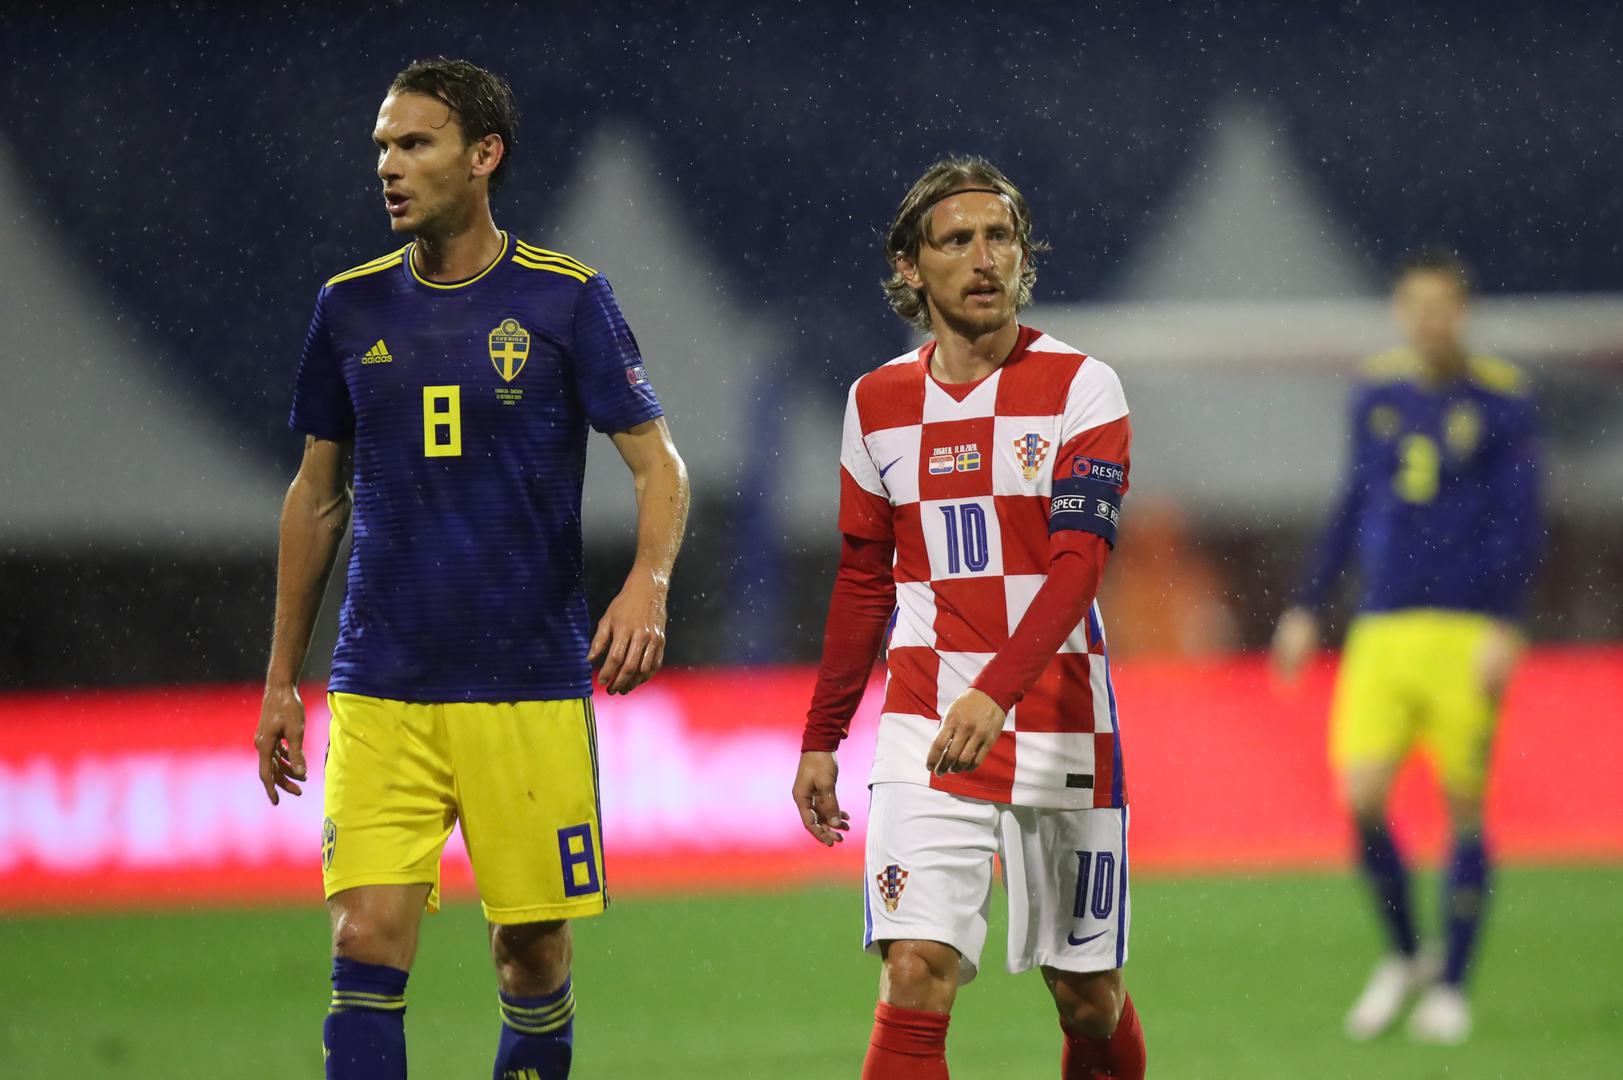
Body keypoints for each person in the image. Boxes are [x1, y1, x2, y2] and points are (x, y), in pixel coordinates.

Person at [251, 57, 689, 1080]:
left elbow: (658, 464)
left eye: (416, 144)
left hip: (525, 682)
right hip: (381, 682)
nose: (389, 166)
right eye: (383, 147)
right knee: (363, 936)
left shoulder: (565, 299)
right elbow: (316, 496)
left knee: (528, 950)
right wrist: (279, 678)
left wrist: (648, 582)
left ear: (484, 155)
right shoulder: (348, 307)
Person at [791, 156, 1147, 1080]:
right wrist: (822, 735)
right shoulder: (875, 401)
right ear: (910, 266)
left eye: (1000, 237)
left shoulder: (1082, 386)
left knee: (1086, 996)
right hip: (925, 719)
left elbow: (1078, 565)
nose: (984, 258)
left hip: (1060, 716)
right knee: (914, 969)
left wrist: (996, 691)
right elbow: (863, 579)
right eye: (957, 240)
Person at [1272, 248, 1541, 1045]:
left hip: (1464, 629)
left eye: (1442, 307)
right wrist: (1305, 605)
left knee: (1462, 806)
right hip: (1382, 624)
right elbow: (1352, 501)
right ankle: (1404, 953)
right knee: (1360, 795)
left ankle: (1451, 985)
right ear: (1401, 313)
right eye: (1417, 307)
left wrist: (1505, 622)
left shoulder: (1501, 399)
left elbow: (1522, 519)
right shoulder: (1376, 392)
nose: (1430, 321)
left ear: (1461, 312)